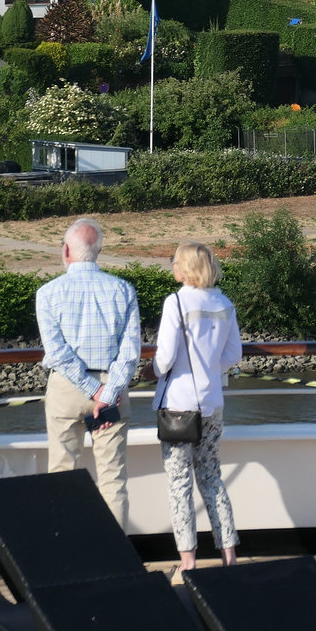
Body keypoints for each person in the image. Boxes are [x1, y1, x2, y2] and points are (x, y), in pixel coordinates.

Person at [36, 217, 142, 530]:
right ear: (98, 251)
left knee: (63, 476)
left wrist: (90, 389)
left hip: (67, 391)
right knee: (113, 481)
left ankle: (69, 559)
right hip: (113, 389)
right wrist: (106, 393)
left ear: (67, 250)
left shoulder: (48, 293)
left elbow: (57, 353)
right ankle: (116, 565)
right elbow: (130, 351)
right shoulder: (123, 290)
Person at [153, 241, 243, 579]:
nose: (172, 267)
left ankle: (188, 560)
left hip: (178, 405)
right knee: (211, 477)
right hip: (212, 404)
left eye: (175, 261)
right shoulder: (224, 303)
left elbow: (163, 358)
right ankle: (229, 554)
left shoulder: (175, 302)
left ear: (185, 268)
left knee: (179, 483)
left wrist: (153, 371)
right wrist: (209, 369)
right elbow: (234, 355)